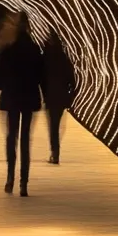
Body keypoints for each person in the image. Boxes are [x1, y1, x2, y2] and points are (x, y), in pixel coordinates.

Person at [0, 13, 43, 196]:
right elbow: (41, 75)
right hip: (29, 98)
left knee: (12, 137)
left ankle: (10, 177)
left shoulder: (9, 50)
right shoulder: (35, 50)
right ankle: (24, 183)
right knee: (26, 139)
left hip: (12, 98)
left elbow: (1, 72)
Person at [42, 30, 75, 164]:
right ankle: (56, 151)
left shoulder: (47, 59)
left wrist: (43, 93)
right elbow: (71, 80)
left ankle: (54, 152)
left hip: (50, 96)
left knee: (53, 126)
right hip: (61, 97)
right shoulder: (64, 58)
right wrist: (69, 93)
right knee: (57, 124)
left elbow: (41, 78)